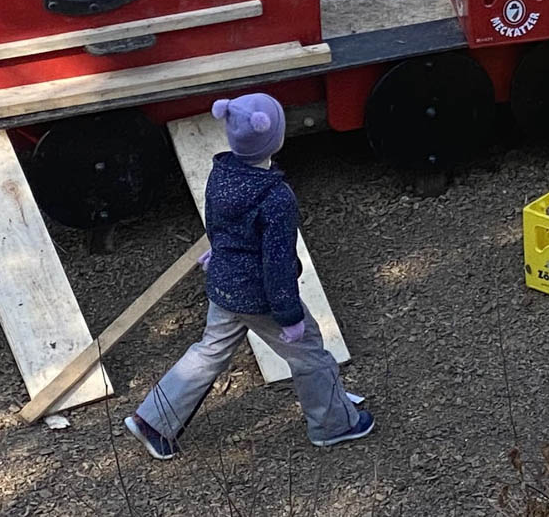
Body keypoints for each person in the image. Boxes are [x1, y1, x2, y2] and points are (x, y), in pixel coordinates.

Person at [124, 93, 372, 459]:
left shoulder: (220, 172)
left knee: (209, 351)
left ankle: (153, 420)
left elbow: (222, 225)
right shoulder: (276, 198)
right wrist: (288, 316)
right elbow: (276, 263)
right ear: (276, 139)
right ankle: (333, 424)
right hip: (259, 297)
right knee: (310, 354)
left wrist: (219, 252)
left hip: (223, 285)